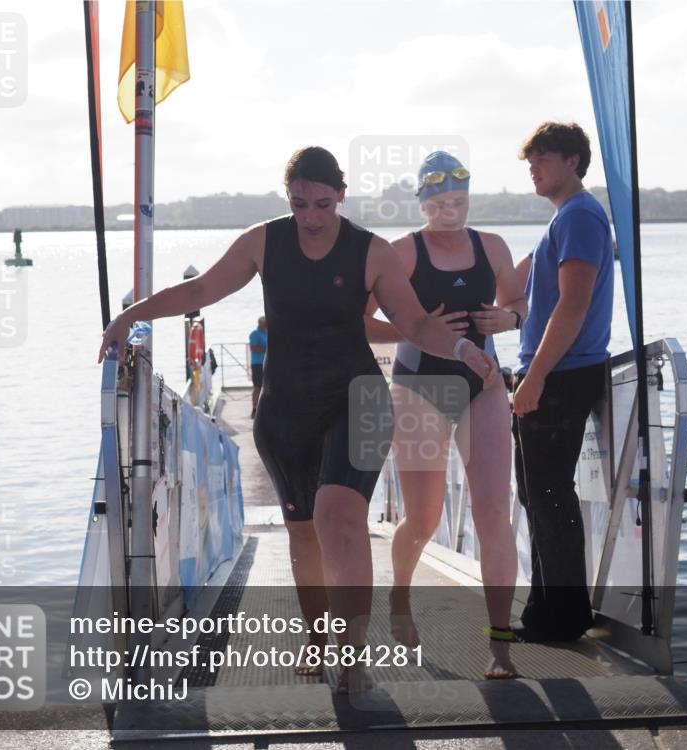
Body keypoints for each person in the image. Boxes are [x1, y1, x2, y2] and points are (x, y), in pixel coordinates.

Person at [98, 146, 497, 693]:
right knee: (304, 535)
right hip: (284, 413)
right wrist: (129, 315)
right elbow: (201, 290)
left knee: (339, 518)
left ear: (342, 197)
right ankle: (317, 641)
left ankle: (353, 657)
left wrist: (462, 348)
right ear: (288, 198)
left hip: (358, 401)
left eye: (323, 205)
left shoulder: (372, 252)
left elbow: (414, 324)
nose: (310, 217)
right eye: (300, 203)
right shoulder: (264, 241)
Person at [364, 151, 526, 679]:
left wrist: (508, 318)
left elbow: (521, 305)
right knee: (425, 518)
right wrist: (414, 329)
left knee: (492, 516)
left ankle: (500, 645)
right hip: (420, 386)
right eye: (439, 203)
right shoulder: (401, 253)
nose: (450, 211)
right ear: (422, 202)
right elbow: (361, 322)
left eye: (459, 201)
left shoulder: (493, 247)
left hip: (483, 385)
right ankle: (401, 597)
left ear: (469, 199)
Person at [510, 122, 614, 643]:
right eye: (531, 160)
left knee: (548, 493)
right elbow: (528, 297)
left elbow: (573, 305)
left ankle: (565, 616)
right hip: (555, 372)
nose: (533, 167)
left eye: (543, 158)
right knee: (537, 494)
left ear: (573, 160)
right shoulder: (567, 219)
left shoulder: (579, 217)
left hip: (562, 374)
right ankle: (545, 611)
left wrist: (535, 376)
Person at [249, 315, 267, 417]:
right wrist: (267, 350)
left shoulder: (267, 333)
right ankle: (255, 408)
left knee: (266, 386)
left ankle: (264, 409)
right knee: (258, 386)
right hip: (257, 364)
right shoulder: (255, 334)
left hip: (266, 363)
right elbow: (253, 348)